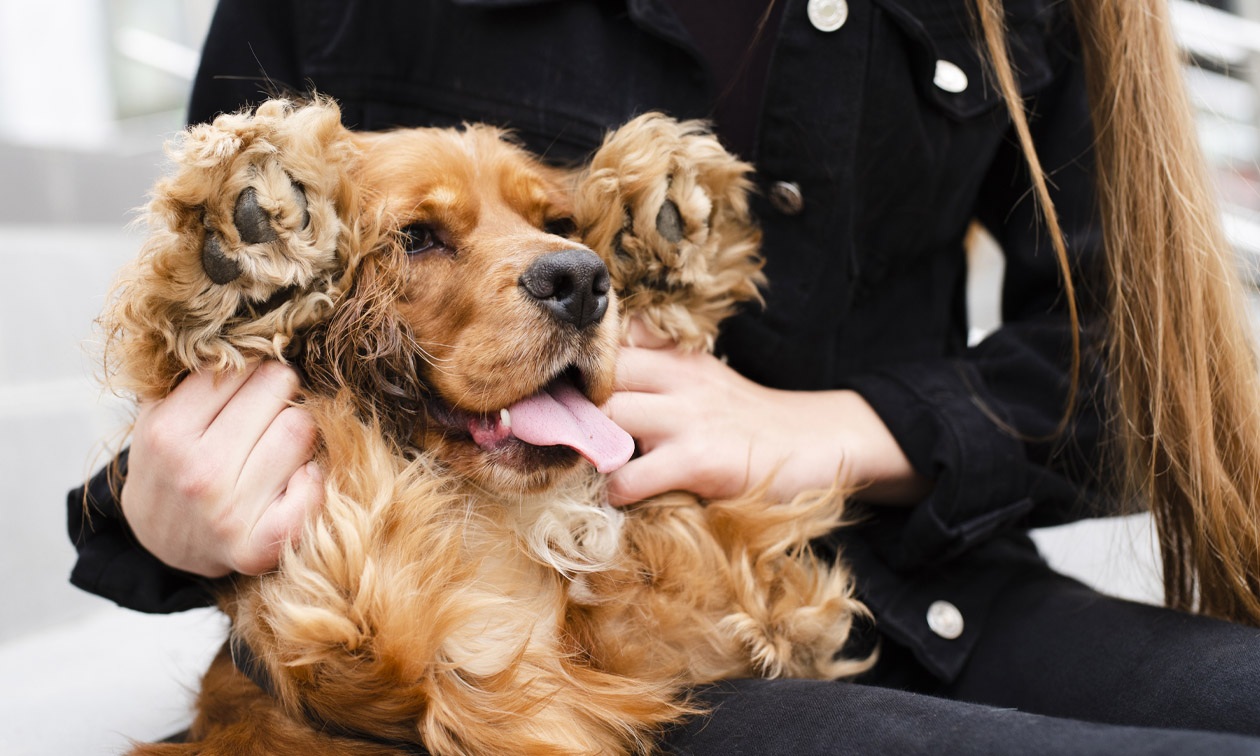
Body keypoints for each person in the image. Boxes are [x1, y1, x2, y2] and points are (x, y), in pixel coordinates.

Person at [68, 0, 1260, 752]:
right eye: (432, 232)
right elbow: (228, 303)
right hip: (516, 637)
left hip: (911, 582)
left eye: (562, 224)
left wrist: (838, 432)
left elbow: (1147, 371)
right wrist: (149, 508)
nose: (570, 268)